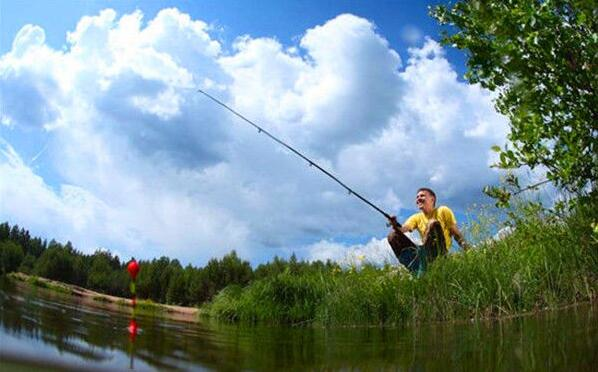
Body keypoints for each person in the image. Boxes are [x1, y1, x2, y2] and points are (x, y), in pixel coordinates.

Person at [387, 187, 468, 274]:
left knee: (433, 223)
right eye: (417, 197)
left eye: (422, 196)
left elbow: (456, 233)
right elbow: (402, 229)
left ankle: (424, 264)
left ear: (432, 199)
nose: (418, 199)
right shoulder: (416, 217)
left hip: (440, 252)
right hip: (423, 254)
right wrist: (395, 224)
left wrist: (468, 250)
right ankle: (415, 269)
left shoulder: (443, 210)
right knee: (392, 236)